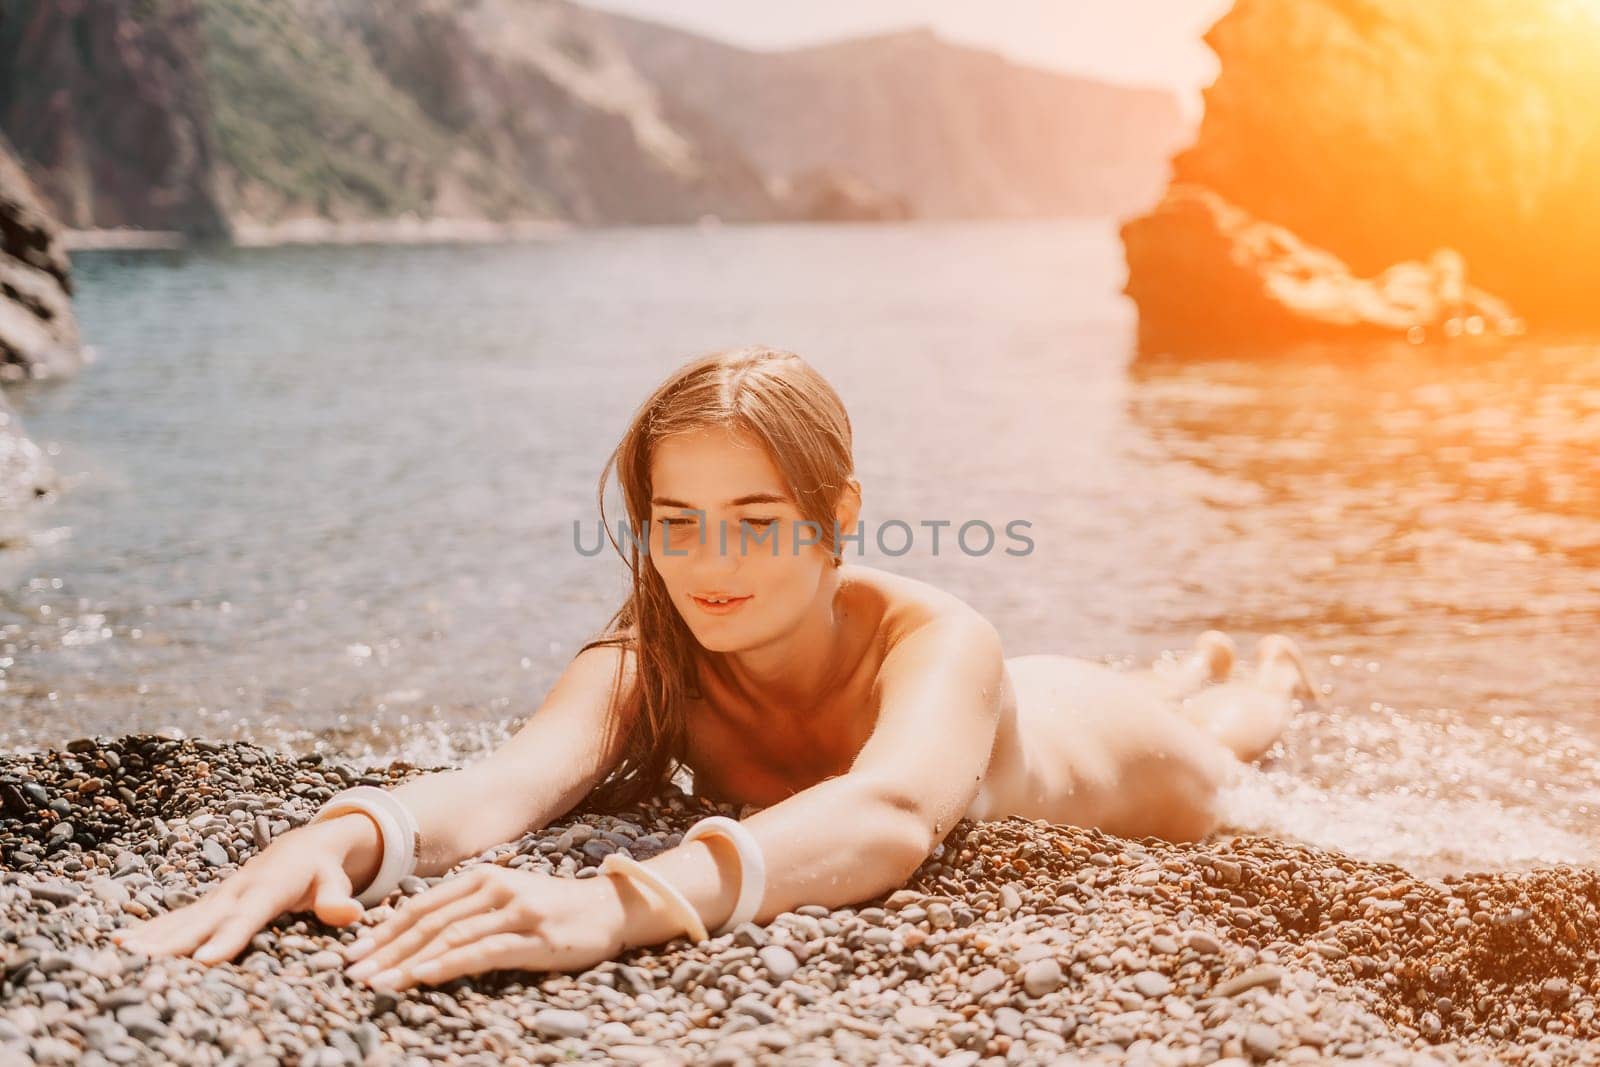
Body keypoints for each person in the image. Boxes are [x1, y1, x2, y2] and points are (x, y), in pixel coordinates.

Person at [112, 346, 1316, 990]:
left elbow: (893, 810)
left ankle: (1251, 671)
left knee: (1234, 726)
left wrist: (614, 901)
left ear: (835, 513)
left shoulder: (938, 637)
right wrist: (350, 832)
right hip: (992, 711)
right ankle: (1192, 665)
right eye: (675, 519)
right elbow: (509, 780)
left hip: (1094, 734)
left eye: (754, 514)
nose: (709, 558)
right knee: (1182, 685)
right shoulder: (651, 652)